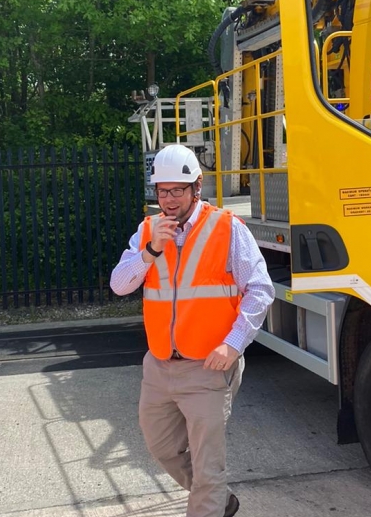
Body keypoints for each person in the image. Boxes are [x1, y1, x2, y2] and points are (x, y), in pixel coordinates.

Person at [110, 144, 275, 517]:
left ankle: (209, 502)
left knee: (207, 463)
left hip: (208, 368)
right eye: (162, 191)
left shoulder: (226, 227)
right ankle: (217, 498)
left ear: (196, 187)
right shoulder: (149, 230)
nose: (167, 200)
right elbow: (120, 284)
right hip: (159, 366)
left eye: (176, 191)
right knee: (161, 447)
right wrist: (150, 251)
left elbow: (261, 290)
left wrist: (232, 346)